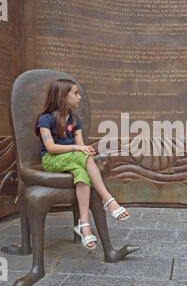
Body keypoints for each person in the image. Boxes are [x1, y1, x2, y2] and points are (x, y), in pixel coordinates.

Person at [35, 79, 129, 250]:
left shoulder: (74, 119)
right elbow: (50, 147)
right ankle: (108, 199)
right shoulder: (45, 119)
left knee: (82, 173)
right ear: (62, 96)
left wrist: (85, 150)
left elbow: (82, 147)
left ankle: (83, 225)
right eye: (75, 93)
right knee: (82, 156)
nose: (80, 97)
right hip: (51, 160)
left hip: (71, 159)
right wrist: (78, 149)